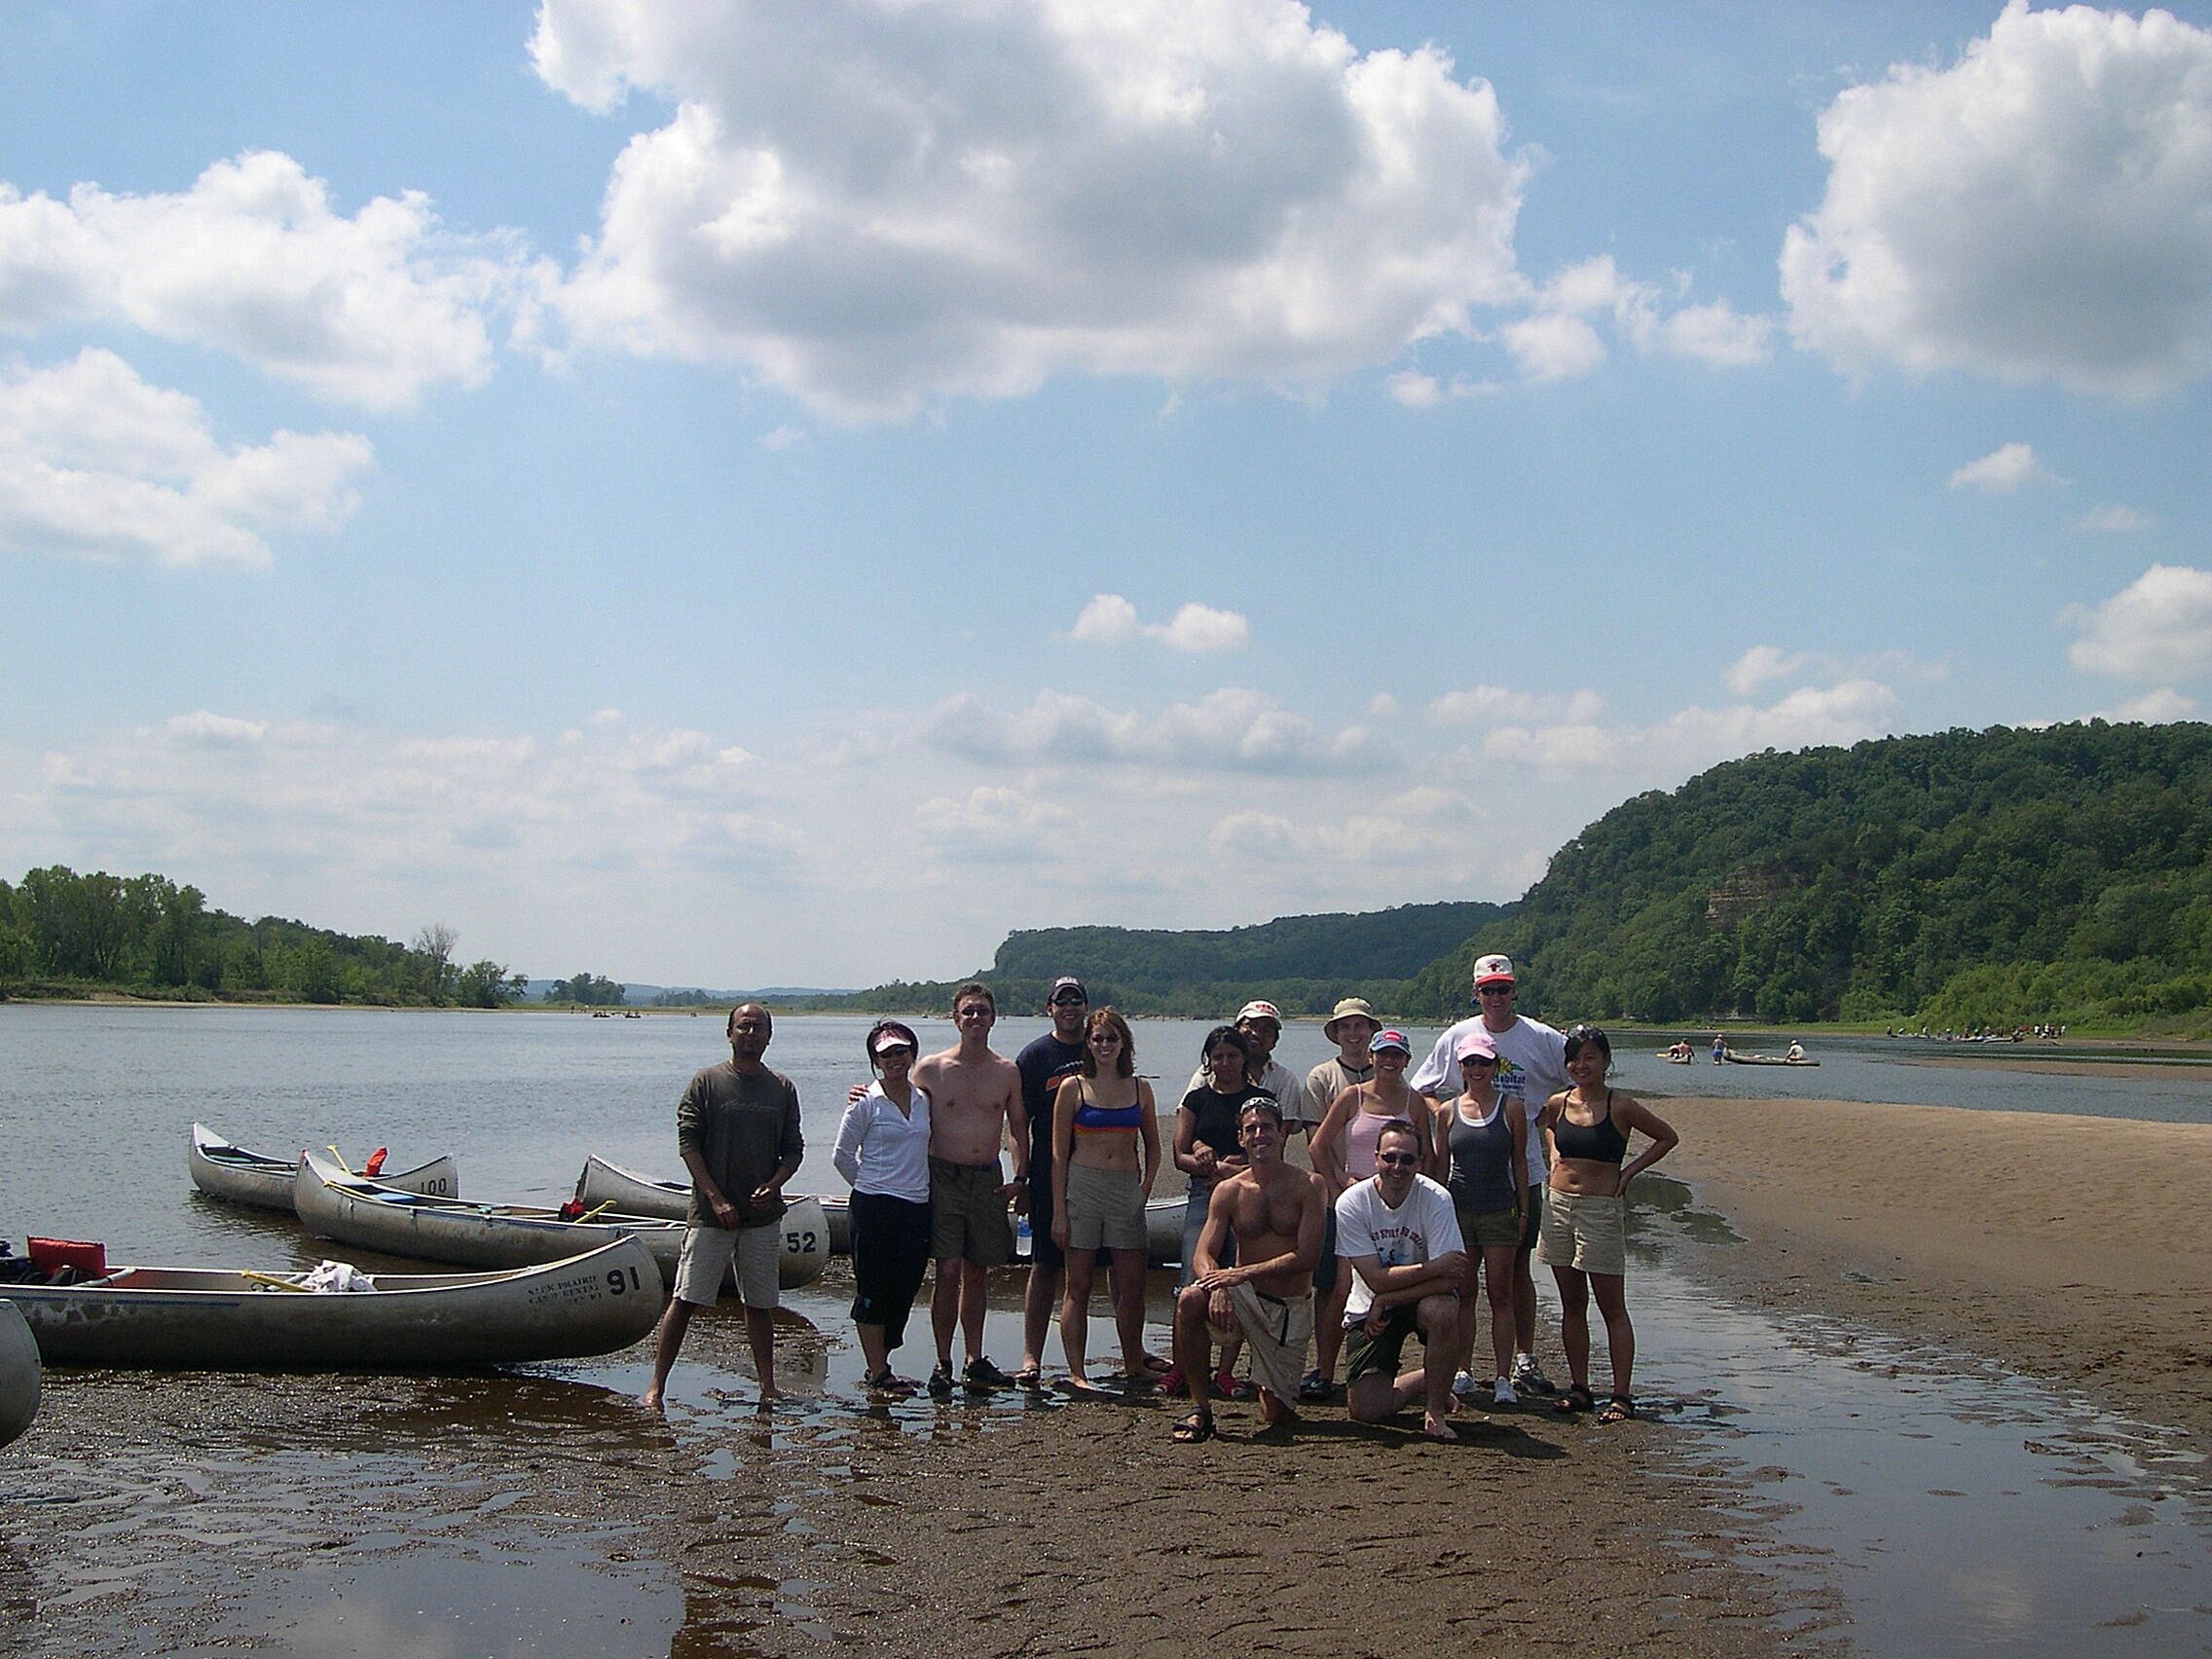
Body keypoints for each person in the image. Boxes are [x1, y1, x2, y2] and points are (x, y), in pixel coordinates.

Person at [1411, 953, 1566, 1397]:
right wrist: (1445, 1116)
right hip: (1467, 1177)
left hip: (1525, 1172)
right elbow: (1420, 1088)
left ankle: (1522, 1361)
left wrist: (1549, 1118)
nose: (1496, 997)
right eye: (1488, 990)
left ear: (1514, 990)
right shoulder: (1458, 1036)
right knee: (1466, 1279)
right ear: (1476, 992)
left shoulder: (1540, 1036)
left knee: (1518, 1273)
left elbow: (1576, 1073)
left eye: (1503, 989)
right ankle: (1465, 1365)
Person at [642, 1003, 804, 1412]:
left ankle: (768, 1386)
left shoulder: (781, 1088)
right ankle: (656, 1387)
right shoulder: (707, 1082)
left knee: (762, 1303)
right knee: (685, 1298)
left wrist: (775, 1184)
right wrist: (715, 1197)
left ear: (770, 1037)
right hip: (711, 1215)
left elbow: (793, 1150)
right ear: (729, 1033)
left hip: (763, 1217)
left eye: (758, 1028)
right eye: (743, 1027)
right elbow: (688, 1144)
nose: (751, 1034)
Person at [1533, 1025, 1678, 1423]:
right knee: (1572, 1303)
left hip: (1601, 1210)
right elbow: (1545, 1125)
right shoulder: (1558, 1102)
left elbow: (1667, 1137)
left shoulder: (1620, 1106)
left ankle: (1621, 1395)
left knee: (1612, 1306)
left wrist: (1629, 1174)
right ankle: (1579, 1388)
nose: (1581, 1065)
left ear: (1605, 1061)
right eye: (1575, 1058)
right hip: (1559, 1205)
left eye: (1590, 1058)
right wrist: (1553, 1155)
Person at [1169, 1097, 1327, 1442]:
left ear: (1283, 1133)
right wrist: (1220, 1286)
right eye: (1251, 1129)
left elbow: (1307, 1257)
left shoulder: (1309, 1186)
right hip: (1243, 1299)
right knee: (1190, 1297)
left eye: (1267, 1127)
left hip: (1287, 1307)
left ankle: (1265, 1379)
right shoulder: (1229, 1191)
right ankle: (1200, 1409)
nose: (1259, 1135)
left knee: (1278, 1416)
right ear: (1240, 1138)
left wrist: (1240, 1274)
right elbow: (1203, 1253)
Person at [917, 982, 1026, 1396]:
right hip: (942, 1176)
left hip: (987, 1177)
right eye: (968, 1011)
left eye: (982, 1011)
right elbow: (898, 1108)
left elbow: (1017, 1129)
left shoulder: (1006, 1071)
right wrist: (863, 1095)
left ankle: (974, 1358)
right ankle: (943, 1360)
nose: (975, 1018)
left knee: (978, 1272)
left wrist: (1021, 1177)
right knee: (947, 1270)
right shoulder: (931, 1068)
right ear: (955, 1018)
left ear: (993, 1017)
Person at [1051, 1008, 1161, 1392]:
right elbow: (1058, 1155)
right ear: (1088, 1043)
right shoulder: (1073, 1087)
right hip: (1082, 1185)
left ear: (1123, 1043)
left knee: (1132, 1286)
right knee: (1077, 1285)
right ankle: (1077, 1372)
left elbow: (1154, 1148)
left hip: (1124, 1188)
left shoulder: (1139, 1087)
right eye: (1097, 1039)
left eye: (1111, 1038)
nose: (1104, 1045)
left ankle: (1134, 1364)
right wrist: (1059, 1211)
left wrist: (1143, 1190)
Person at [1336, 1119, 1465, 1441]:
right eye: (1390, 1157)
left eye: (1407, 1159)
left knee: (1443, 1310)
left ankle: (1434, 1411)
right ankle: (1430, 1379)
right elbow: (1376, 1280)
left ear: (1420, 1163)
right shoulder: (1351, 1203)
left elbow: (1451, 1282)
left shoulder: (1437, 1199)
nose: (1398, 1166)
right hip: (1371, 1304)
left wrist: (1390, 1298)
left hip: (1416, 1300)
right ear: (1375, 1157)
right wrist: (1432, 1268)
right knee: (1367, 1411)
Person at [1162, 1025, 1274, 1396]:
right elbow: (1179, 1156)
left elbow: (1270, 1153)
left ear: (1244, 1059)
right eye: (1218, 1057)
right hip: (1202, 1194)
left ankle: (1225, 1372)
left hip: (1250, 1195)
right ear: (1208, 1061)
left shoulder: (1260, 1099)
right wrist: (1205, 1162)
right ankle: (1184, 1366)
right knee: (1190, 1280)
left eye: (1232, 1056)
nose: (1225, 1063)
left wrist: (1233, 1172)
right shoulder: (1196, 1099)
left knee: (1239, 1278)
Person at [831, 1020, 934, 1397]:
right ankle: (878, 1372)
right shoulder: (865, 1103)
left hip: (916, 1206)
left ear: (912, 1054)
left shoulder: (924, 1100)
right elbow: (842, 1156)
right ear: (875, 1060)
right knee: (872, 1288)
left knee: (905, 1286)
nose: (894, 1059)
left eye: (900, 1051)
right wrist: (870, 1186)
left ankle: (882, 1361)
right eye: (885, 1054)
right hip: (874, 1206)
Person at [1431, 1029, 1527, 1407]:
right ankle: (1464, 1370)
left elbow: (1519, 1162)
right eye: (1469, 1063)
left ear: (1494, 1066)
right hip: (1459, 1213)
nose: (1476, 1069)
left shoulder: (1512, 1108)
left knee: (1501, 1295)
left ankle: (1503, 1377)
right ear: (1460, 1067)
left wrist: (1524, 1210)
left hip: (1500, 1211)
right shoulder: (1447, 1111)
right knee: (1464, 1294)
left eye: (1482, 1063)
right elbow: (1440, 1169)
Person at [1296, 997, 1378, 1401]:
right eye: (1346, 1027)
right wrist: (1337, 1184)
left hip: (1379, 1200)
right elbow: (1316, 1141)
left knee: (1376, 1283)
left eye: (1359, 1026)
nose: (1353, 1034)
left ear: (1370, 1031)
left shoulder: (1388, 1073)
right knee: (1329, 1287)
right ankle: (1325, 1369)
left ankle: (1365, 1367)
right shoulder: (1322, 1077)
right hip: (1333, 1199)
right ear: (1336, 1034)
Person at [1014, 976, 1094, 1386]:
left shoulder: (1100, 1045)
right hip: (1048, 1170)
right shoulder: (1034, 1056)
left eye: (1076, 1000)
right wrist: (1022, 1177)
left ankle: (1126, 1352)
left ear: (1085, 1006)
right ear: (1049, 1008)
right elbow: (1017, 1123)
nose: (1069, 1008)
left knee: (1103, 1265)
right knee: (1045, 1264)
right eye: (1061, 1002)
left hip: (1097, 1169)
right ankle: (1031, 1356)